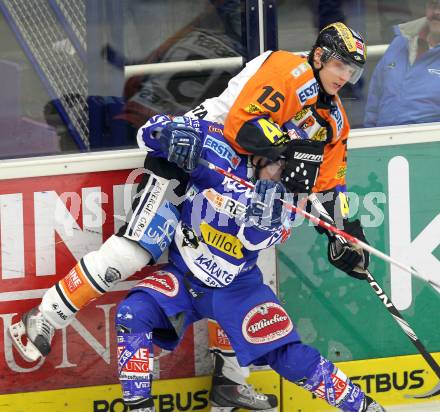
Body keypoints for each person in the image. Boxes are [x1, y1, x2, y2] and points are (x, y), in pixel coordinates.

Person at [10, 21, 369, 411]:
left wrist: (346, 234)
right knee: (131, 254)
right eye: (340, 66)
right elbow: (243, 128)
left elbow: (333, 186)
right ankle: (45, 316)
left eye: (353, 71)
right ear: (319, 57)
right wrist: (290, 151)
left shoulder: (331, 119)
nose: (346, 78)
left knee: (237, 272)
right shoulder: (288, 69)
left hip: (247, 177)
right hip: (197, 154)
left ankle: (230, 381)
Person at [115, 114, 385, 412]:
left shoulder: (286, 198)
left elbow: (254, 241)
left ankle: (364, 407)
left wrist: (265, 218)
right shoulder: (217, 146)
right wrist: (169, 137)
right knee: (133, 313)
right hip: (184, 275)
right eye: (281, 165)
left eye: (290, 171)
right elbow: (148, 132)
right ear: (262, 154)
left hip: (237, 289)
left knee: (289, 356)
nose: (285, 175)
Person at [364, 0, 440, 127]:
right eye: (433, 5)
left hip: (428, 144)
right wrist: (369, 136)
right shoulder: (400, 41)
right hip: (381, 140)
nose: (437, 12)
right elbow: (374, 103)